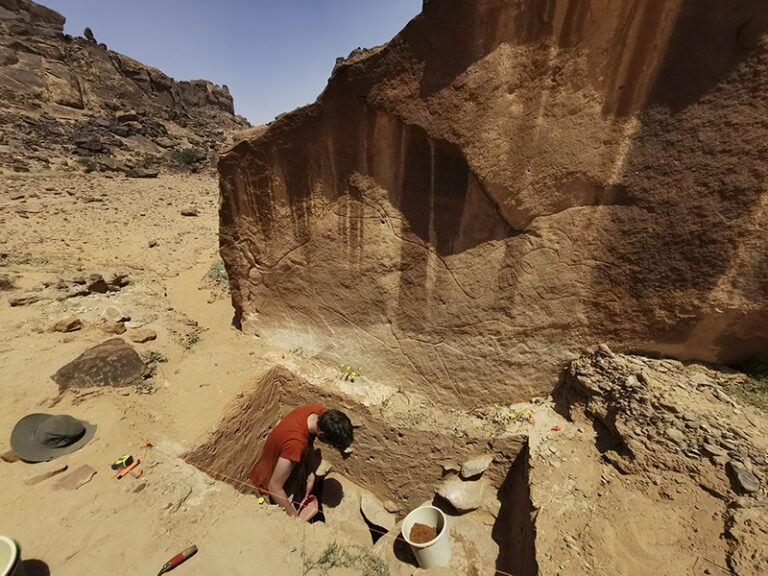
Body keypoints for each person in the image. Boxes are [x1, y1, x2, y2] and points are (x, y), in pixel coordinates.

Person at [249, 404, 353, 520]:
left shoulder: (317, 412)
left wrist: (310, 473)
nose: (327, 446)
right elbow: (274, 487)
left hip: (286, 465)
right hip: (268, 481)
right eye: (328, 444)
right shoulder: (295, 444)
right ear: (321, 433)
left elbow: (309, 443)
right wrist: (295, 520)